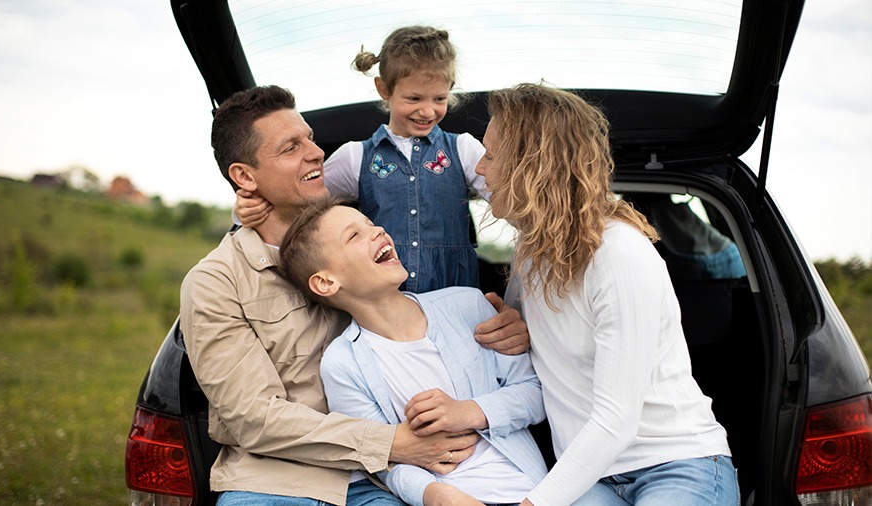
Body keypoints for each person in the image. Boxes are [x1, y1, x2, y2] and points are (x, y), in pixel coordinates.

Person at [179, 84, 529, 506]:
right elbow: (253, 418)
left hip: (391, 480)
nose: (315, 153)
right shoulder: (216, 282)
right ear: (244, 177)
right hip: (279, 483)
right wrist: (389, 443)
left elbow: (434, 313)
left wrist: (507, 321)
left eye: (309, 138)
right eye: (291, 147)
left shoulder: (371, 238)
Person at [474, 83, 739, 506]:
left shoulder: (618, 254)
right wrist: (514, 328)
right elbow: (534, 350)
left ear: (531, 165)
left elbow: (617, 419)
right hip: (589, 474)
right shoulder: (531, 251)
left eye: (490, 154)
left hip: (675, 463)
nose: (481, 169)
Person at [277, 198, 548, 506]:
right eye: (354, 235)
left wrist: (468, 411)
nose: (377, 230)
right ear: (326, 282)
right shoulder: (342, 363)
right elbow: (383, 460)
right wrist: (436, 495)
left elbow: (535, 393)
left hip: (531, 492)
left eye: (371, 224)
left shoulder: (467, 305)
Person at [236, 26, 486, 293]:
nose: (428, 110)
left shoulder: (463, 149)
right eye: (414, 98)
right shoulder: (356, 157)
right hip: (384, 302)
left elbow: (513, 201)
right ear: (383, 88)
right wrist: (244, 211)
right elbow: (300, 204)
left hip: (458, 295)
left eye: (439, 98)